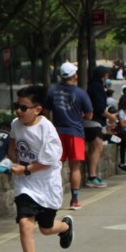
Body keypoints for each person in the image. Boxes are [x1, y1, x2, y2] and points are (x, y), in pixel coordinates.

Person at [8, 85, 74, 252]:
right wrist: (11, 161)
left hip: (46, 184)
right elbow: (12, 145)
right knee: (25, 223)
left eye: (23, 108)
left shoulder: (47, 129)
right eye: (16, 106)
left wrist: (26, 169)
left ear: (37, 109)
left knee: (46, 228)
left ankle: (65, 227)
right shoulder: (16, 124)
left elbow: (50, 160)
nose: (19, 111)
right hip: (25, 185)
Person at [44, 62, 93, 209]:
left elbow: (45, 112)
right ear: (74, 75)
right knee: (75, 167)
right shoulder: (80, 93)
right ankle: (74, 200)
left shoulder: (52, 91)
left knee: (55, 167)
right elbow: (89, 115)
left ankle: (52, 199)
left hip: (57, 133)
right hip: (75, 133)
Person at [84, 66, 112, 188]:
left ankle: (91, 175)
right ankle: (92, 176)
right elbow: (100, 108)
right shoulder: (98, 87)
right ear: (104, 75)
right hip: (94, 122)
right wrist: (112, 117)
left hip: (87, 122)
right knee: (98, 147)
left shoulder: (91, 86)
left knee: (91, 149)